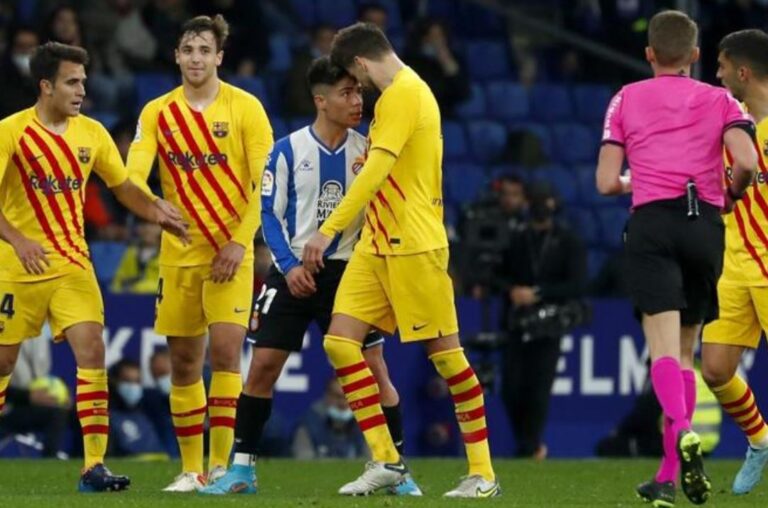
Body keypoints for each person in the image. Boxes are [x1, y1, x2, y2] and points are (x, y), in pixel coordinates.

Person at [200, 55, 419, 496]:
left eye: (359, 91)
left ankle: (397, 468)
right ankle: (241, 468)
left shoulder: (369, 153)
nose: (357, 100)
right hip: (292, 271)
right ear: (321, 100)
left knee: (376, 369)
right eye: (347, 93)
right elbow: (269, 214)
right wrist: (290, 265)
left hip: (351, 275)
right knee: (262, 367)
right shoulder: (286, 150)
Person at [302, 23, 499, 498]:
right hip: (376, 243)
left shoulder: (405, 95)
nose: (358, 89)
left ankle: (483, 473)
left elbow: (374, 172)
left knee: (447, 358)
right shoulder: (396, 97)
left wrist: (326, 232)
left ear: (362, 64)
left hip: (413, 243)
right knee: (339, 343)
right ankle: (386, 459)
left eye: (355, 78)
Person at [0, 41, 187, 492]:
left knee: (92, 352)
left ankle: (93, 466)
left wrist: (156, 209)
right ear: (46, 86)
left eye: (83, 80)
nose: (82, 89)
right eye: (72, 81)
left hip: (72, 264)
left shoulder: (94, 134)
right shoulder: (10, 131)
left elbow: (121, 187)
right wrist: (19, 239)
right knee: (4, 363)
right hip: (14, 266)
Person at [596, 10, 757, 507]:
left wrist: (636, 181)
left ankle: (683, 431)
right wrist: (729, 195)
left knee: (662, 350)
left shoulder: (626, 97)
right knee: (686, 351)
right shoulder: (721, 99)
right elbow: (747, 162)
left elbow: (606, 182)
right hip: (705, 225)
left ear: (649, 54)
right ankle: (668, 476)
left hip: (653, 223)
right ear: (694, 55)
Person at [127, 14, 273, 492]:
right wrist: (151, 207)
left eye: (204, 50)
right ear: (176, 55)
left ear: (219, 57)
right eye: (188, 50)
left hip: (231, 253)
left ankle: (219, 467)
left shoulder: (246, 107)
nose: (195, 58)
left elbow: (264, 185)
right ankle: (190, 469)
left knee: (227, 356)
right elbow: (132, 176)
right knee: (185, 363)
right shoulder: (156, 113)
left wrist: (239, 240)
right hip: (179, 255)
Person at [701, 28, 768, 496]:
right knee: (717, 369)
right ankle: (761, 442)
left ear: (743, 71)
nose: (718, 74)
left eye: (723, 66)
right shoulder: (729, 123)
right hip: (732, 265)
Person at [501, 183, 587, 459]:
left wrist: (538, 293)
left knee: (539, 386)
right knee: (511, 386)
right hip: (517, 321)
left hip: (550, 323)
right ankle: (525, 441)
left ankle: (531, 445)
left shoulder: (568, 241)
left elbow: (577, 284)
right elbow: (496, 273)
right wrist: (512, 290)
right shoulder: (517, 238)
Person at [291, 378, 367, 460]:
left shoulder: (367, 425)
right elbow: (303, 460)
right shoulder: (308, 424)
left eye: (347, 398)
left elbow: (372, 460)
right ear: (327, 396)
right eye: (337, 397)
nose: (342, 403)